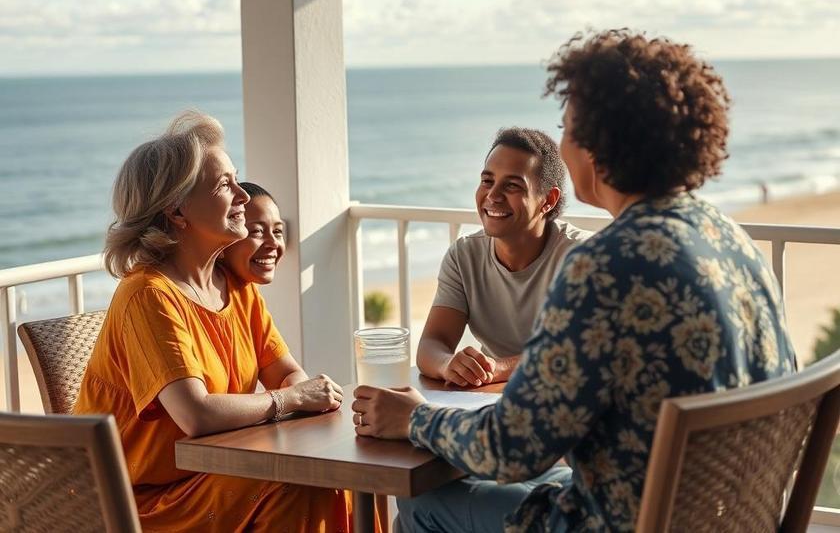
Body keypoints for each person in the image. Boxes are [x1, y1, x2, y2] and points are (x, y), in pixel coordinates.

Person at [352, 30, 797, 532]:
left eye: (567, 128)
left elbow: (512, 447)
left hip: (624, 521)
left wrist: (412, 418)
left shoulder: (603, 265)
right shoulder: (729, 238)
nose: (562, 145)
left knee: (422, 503)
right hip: (716, 514)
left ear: (596, 146)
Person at [74, 113, 353, 532]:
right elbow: (197, 414)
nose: (243, 195)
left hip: (207, 476)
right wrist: (292, 400)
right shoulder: (148, 294)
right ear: (176, 210)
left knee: (335, 477)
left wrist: (305, 391)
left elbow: (285, 371)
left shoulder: (232, 286)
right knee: (301, 486)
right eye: (225, 185)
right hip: (137, 503)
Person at [417, 127, 589, 386]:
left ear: (548, 200)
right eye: (487, 181)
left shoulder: (581, 257)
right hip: (492, 397)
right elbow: (433, 342)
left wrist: (499, 368)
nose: (493, 196)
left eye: (512, 185)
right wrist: (447, 364)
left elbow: (575, 350)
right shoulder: (464, 256)